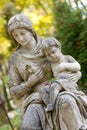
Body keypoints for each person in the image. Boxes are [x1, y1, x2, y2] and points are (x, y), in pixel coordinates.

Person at [7, 13, 87, 130]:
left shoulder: (48, 46)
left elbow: (66, 64)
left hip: (60, 90)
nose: (20, 38)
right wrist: (30, 83)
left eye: (22, 33)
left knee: (66, 103)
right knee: (28, 125)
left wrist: (76, 74)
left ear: (31, 30)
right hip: (35, 98)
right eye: (16, 36)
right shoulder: (15, 59)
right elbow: (13, 93)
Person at [40, 37, 82, 112]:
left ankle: (51, 104)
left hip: (69, 83)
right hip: (58, 84)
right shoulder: (51, 64)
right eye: (48, 55)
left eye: (53, 52)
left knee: (55, 86)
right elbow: (45, 73)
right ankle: (51, 105)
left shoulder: (67, 58)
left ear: (59, 48)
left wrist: (65, 66)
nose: (52, 56)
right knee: (43, 90)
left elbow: (78, 66)